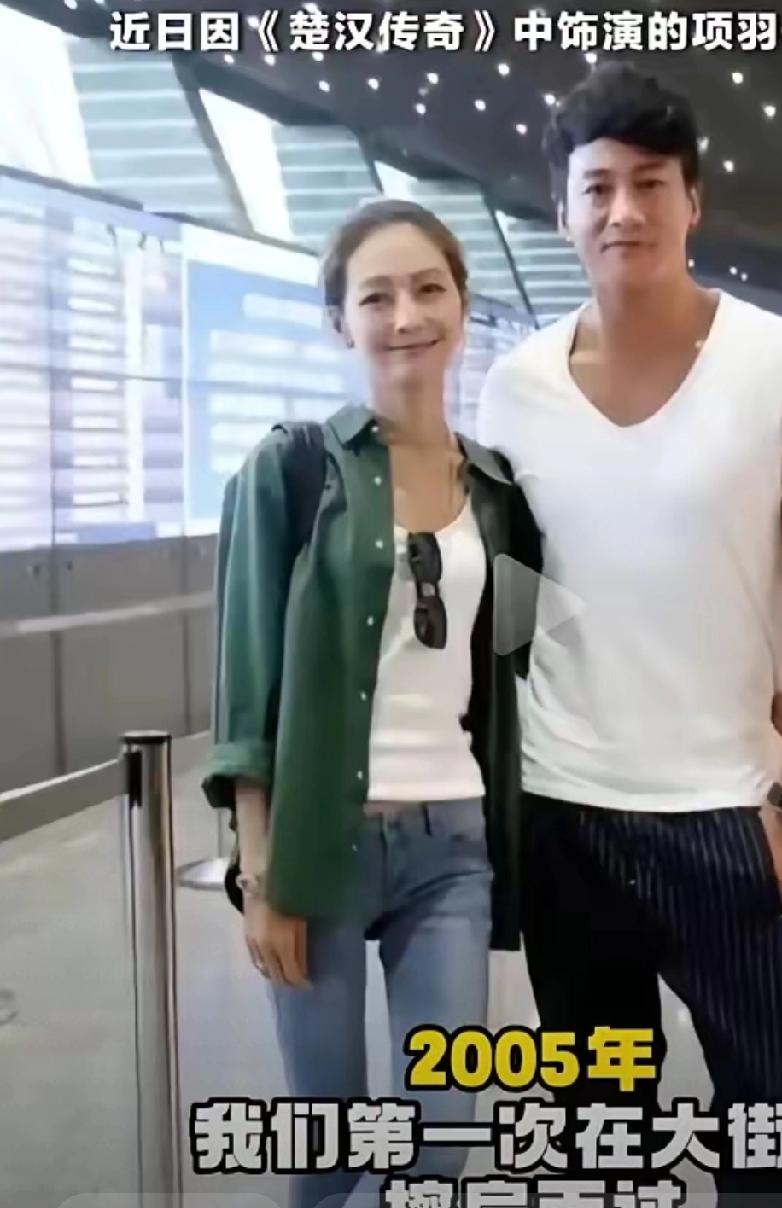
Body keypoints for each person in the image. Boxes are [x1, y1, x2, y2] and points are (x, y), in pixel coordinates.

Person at [478, 63, 782, 1206]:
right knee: (598, 1134)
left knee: (769, 1126)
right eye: (597, 186)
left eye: (650, 183)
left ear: (692, 201)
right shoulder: (512, 387)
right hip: (564, 815)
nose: (623, 210)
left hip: (727, 815)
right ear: (562, 210)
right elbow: (515, 596)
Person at [202, 198, 539, 1208]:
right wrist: (262, 867)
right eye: (376, 296)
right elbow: (246, 682)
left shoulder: (499, 492)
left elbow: (523, 658)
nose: (405, 316)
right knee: (330, 1145)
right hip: (319, 846)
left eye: (429, 289)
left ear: (463, 307)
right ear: (339, 322)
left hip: (453, 849)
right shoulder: (292, 468)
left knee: (439, 1139)